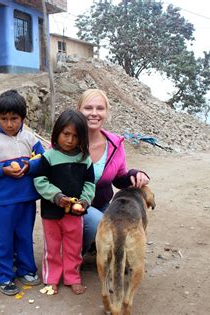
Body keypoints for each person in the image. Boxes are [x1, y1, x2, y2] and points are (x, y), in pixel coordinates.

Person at [0, 89, 45, 296]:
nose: (9, 123)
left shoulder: (30, 138)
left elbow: (42, 160)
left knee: (24, 236)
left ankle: (26, 269)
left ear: (22, 118)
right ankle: (3, 275)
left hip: (26, 200)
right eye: (4, 118)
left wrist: (29, 167)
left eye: (14, 118)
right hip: (3, 201)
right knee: (3, 239)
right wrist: (3, 170)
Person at [77, 89, 150, 254]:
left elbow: (119, 179)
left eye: (100, 108)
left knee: (123, 230)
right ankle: (76, 250)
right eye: (88, 108)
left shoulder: (115, 143)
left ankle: (95, 242)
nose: (94, 113)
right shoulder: (66, 138)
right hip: (72, 207)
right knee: (98, 224)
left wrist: (135, 174)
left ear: (107, 112)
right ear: (79, 110)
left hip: (101, 205)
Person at [34, 109, 95, 295]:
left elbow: (90, 184)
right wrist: (57, 196)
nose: (70, 140)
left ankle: (72, 277)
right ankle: (51, 278)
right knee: (51, 247)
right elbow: (40, 181)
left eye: (75, 136)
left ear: (82, 138)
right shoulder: (48, 157)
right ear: (57, 132)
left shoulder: (85, 160)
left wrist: (84, 201)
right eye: (66, 134)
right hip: (51, 213)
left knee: (73, 247)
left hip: (75, 214)